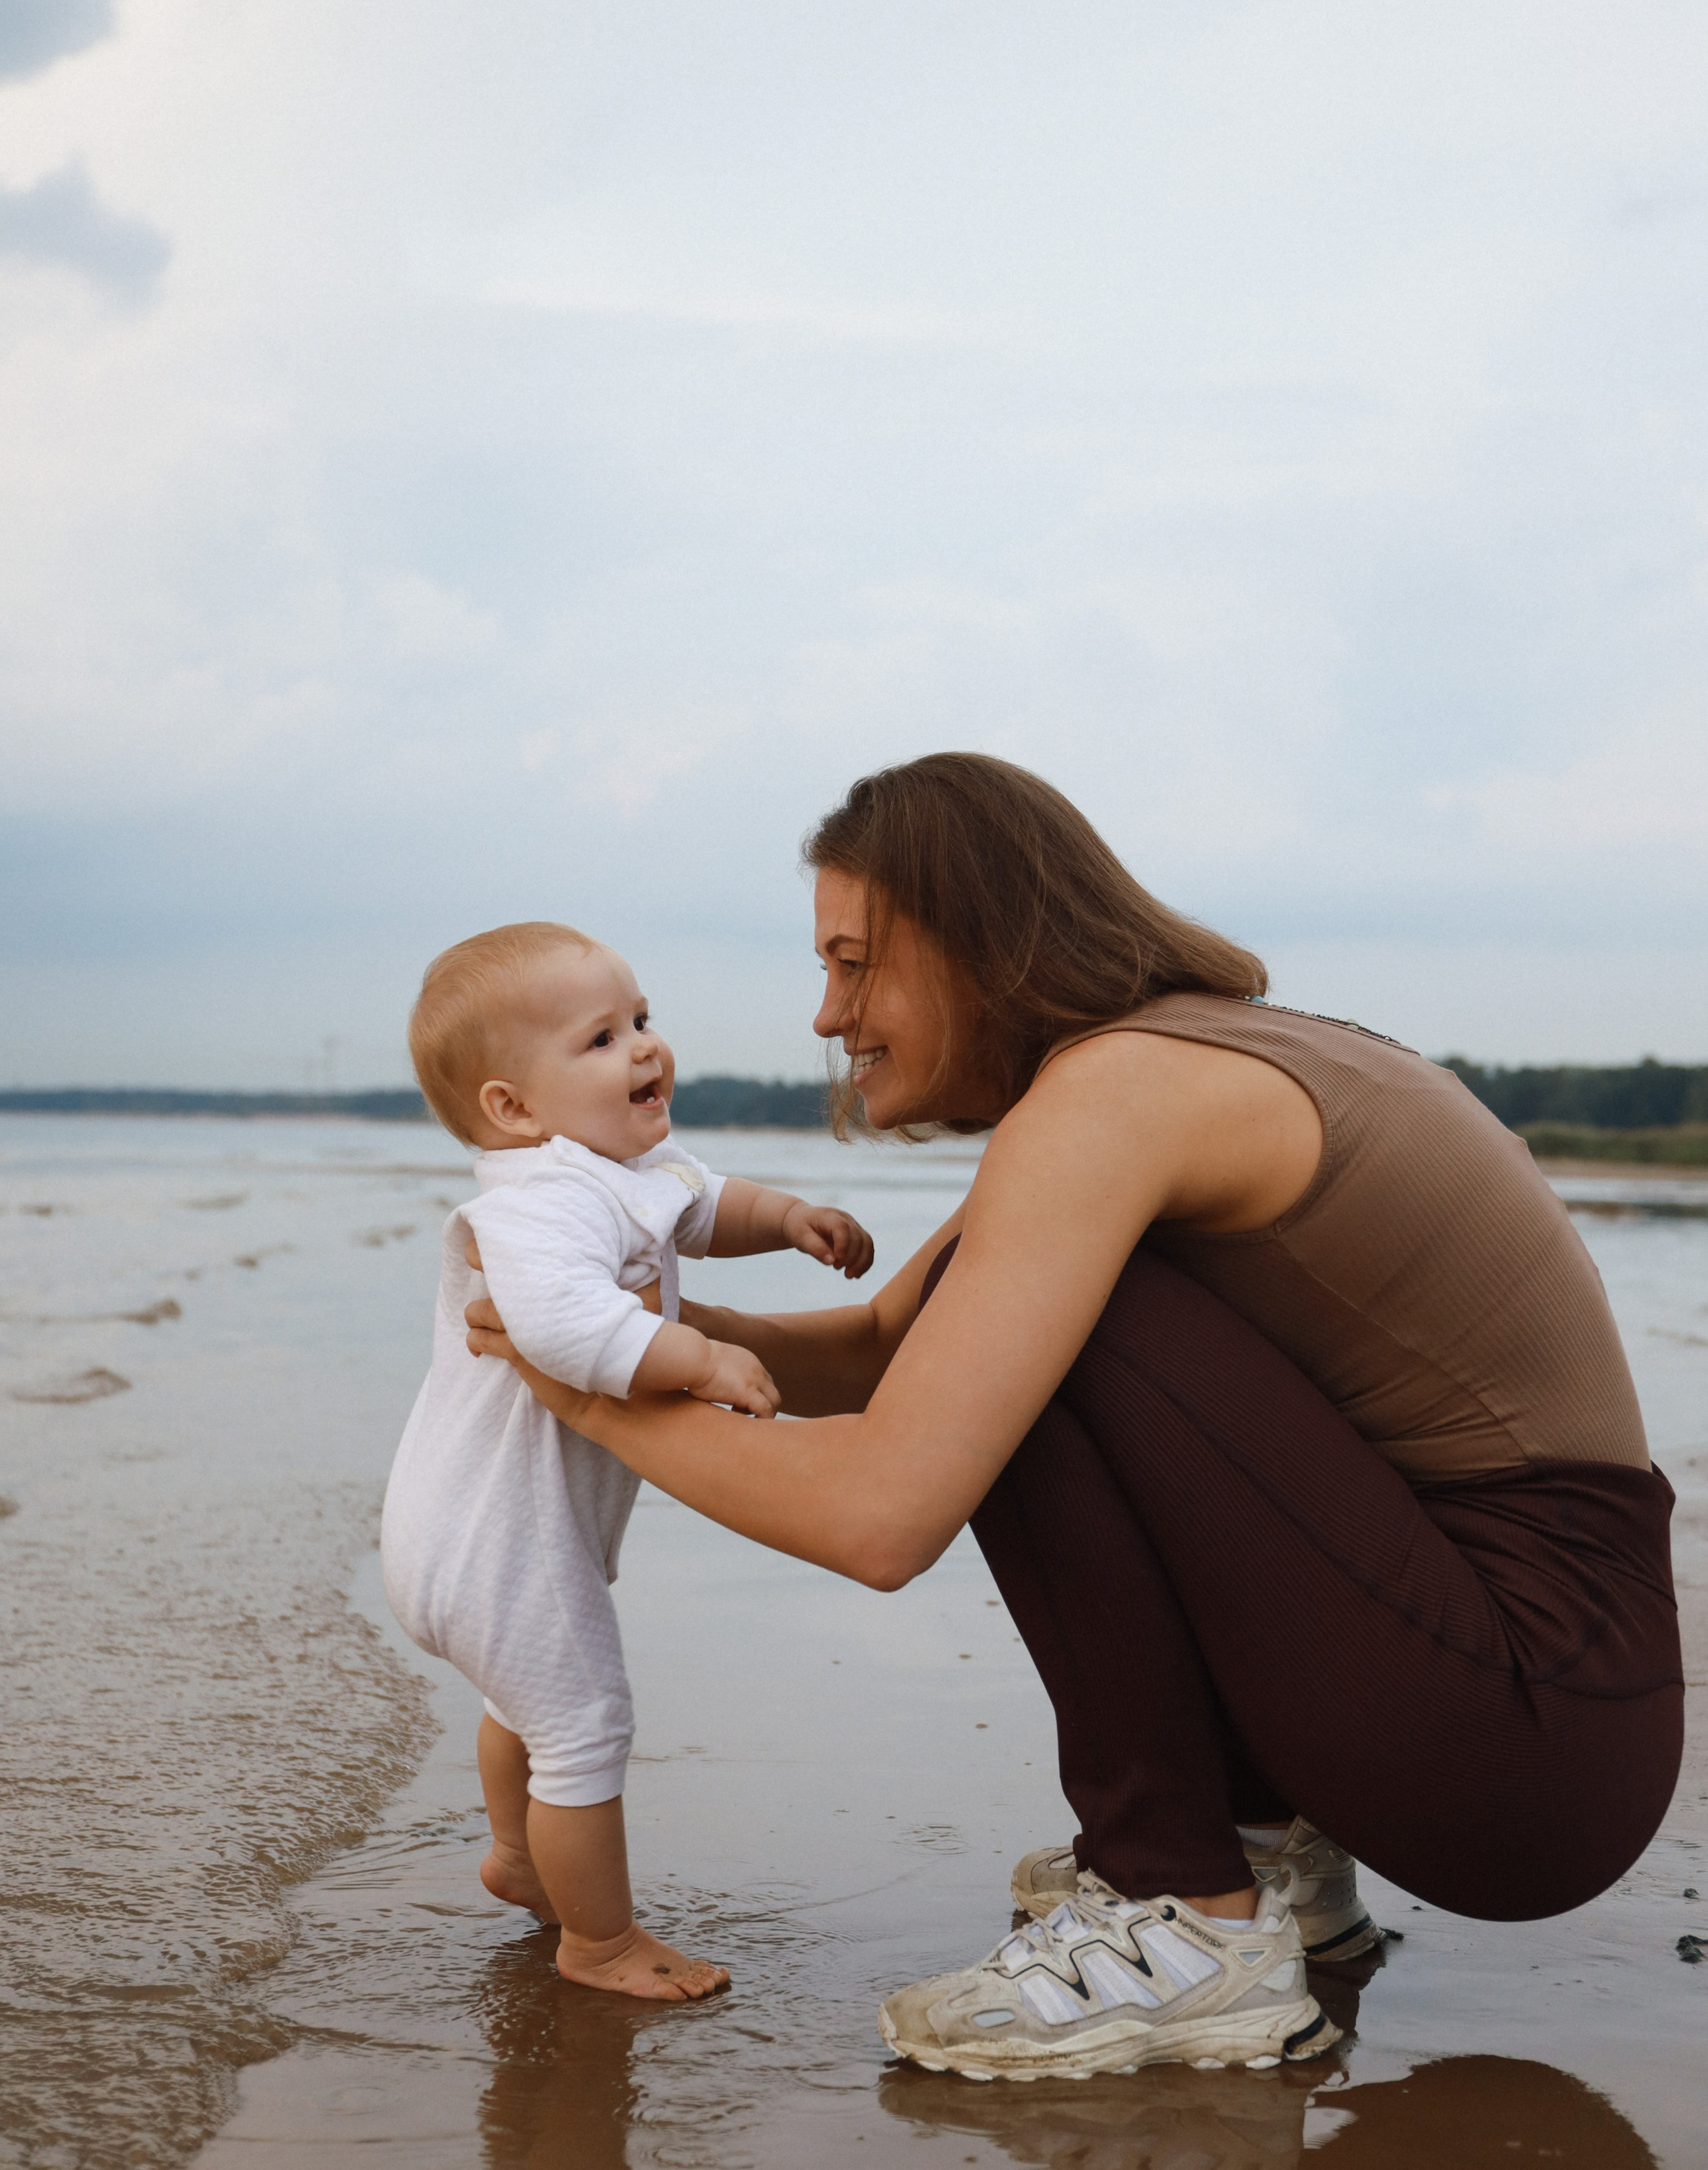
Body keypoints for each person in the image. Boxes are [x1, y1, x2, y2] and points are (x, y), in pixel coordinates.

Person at [461, 757, 1682, 2079]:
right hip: (1519, 1703)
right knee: (1002, 1333)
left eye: (855, 965)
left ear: (976, 942)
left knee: (1043, 1345)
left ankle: (1187, 1911)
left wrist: (582, 1386)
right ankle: (1259, 1855)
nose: (827, 1015)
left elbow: (879, 1516)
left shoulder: (1117, 1097)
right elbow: (881, 1347)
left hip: (1524, 1732)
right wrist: (640, 1327)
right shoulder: (1156, 1068)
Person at [380, 920, 873, 2003]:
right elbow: (560, 1328)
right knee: (584, 1725)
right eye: (601, 1038)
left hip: (484, 1537)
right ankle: (598, 1942)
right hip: (492, 1542)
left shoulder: (620, 1172)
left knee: (529, 1704)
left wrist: (791, 1218)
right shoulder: (537, 1202)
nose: (645, 1046)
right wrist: (700, 1358)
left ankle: (520, 1859)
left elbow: (707, 1204)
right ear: (514, 1107)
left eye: (641, 1019)